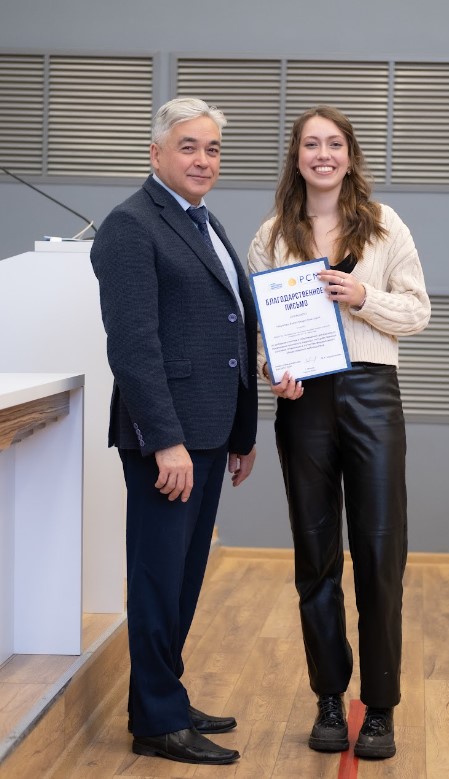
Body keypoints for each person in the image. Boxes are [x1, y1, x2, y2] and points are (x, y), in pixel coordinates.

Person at [248, 105, 430, 760]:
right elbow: (260, 334)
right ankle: (329, 697)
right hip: (305, 405)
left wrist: (361, 297)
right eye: (310, 144)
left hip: (372, 395)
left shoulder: (384, 226)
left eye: (333, 143)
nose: (321, 154)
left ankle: (379, 706)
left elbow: (418, 311)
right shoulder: (272, 236)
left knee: (380, 553)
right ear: (296, 157)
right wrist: (272, 372)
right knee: (315, 554)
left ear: (349, 155)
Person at [90, 97, 257, 766]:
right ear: (156, 153)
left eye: (212, 148)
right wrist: (164, 440)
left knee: (184, 576)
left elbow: (230, 326)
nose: (203, 159)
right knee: (159, 577)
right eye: (189, 146)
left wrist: (242, 431)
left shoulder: (204, 220)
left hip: (211, 429)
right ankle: (157, 721)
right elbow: (133, 346)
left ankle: (164, 696)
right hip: (169, 438)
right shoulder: (130, 226)